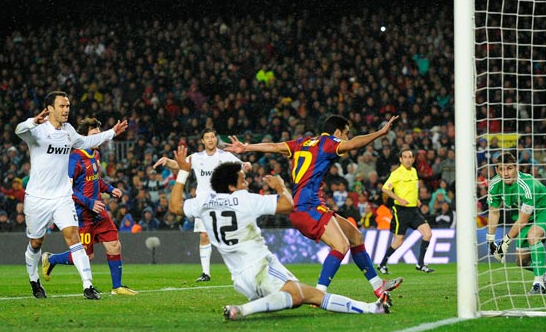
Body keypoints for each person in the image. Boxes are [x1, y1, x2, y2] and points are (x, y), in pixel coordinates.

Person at [167, 147, 392, 320]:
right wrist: (280, 186)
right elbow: (288, 205)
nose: (246, 183)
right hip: (262, 267)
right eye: (242, 180)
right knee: (298, 296)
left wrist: (183, 174)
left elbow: (175, 207)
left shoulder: (204, 202)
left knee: (312, 295)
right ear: (231, 187)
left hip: (240, 279)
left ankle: (373, 308)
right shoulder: (245, 199)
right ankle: (241, 310)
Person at [226, 115, 403, 298]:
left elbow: (275, 146)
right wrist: (380, 133)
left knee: (354, 236)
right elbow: (353, 144)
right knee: (341, 246)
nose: (347, 138)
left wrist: (246, 147)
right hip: (308, 207)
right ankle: (319, 294)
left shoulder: (303, 142)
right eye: (346, 134)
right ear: (337, 132)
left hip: (308, 206)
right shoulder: (327, 143)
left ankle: (377, 285)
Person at [15, 91, 128, 299]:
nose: (66, 110)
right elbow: (18, 130)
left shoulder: (68, 131)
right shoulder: (37, 131)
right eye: (61, 106)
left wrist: (112, 132)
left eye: (67, 106)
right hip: (37, 198)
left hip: (62, 197)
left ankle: (88, 286)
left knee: (74, 238)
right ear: (50, 109)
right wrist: (32, 121)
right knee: (36, 243)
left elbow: (86, 142)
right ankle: (34, 281)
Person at [41, 118, 137, 296]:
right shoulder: (74, 159)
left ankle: (117, 286)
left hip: (99, 213)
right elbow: (66, 189)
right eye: (94, 135)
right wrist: (90, 203)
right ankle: (52, 259)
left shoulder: (95, 155)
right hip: (82, 215)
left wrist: (110, 189)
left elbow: (95, 180)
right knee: (86, 256)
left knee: (114, 245)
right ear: (83, 138)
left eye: (99, 134)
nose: (98, 138)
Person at [154, 128, 250, 282]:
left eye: (213, 137)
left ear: (215, 140)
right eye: (207, 137)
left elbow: (243, 165)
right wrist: (167, 161)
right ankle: (206, 273)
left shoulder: (225, 156)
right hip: (203, 203)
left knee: (230, 236)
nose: (210, 140)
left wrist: (247, 165)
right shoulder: (197, 158)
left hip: (222, 201)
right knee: (204, 236)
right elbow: (180, 165)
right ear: (202, 141)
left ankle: (243, 268)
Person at [486, 151, 546, 295]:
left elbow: (522, 219)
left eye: (509, 168)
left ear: (516, 168)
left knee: (533, 236)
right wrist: (490, 239)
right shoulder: (495, 185)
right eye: (502, 169)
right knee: (522, 261)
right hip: (528, 219)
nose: (506, 173)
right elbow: (494, 211)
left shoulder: (527, 185)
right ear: (497, 170)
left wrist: (506, 241)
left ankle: (539, 284)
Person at [377, 148, 436, 274]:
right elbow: (385, 189)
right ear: (400, 159)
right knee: (398, 242)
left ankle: (420, 264)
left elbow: (413, 188)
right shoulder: (397, 173)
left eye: (410, 157)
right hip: (401, 211)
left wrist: (417, 199)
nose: (408, 160)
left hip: (414, 210)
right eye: (405, 157)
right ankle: (382, 264)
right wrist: (399, 199)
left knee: (428, 234)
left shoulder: (414, 171)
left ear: (413, 159)